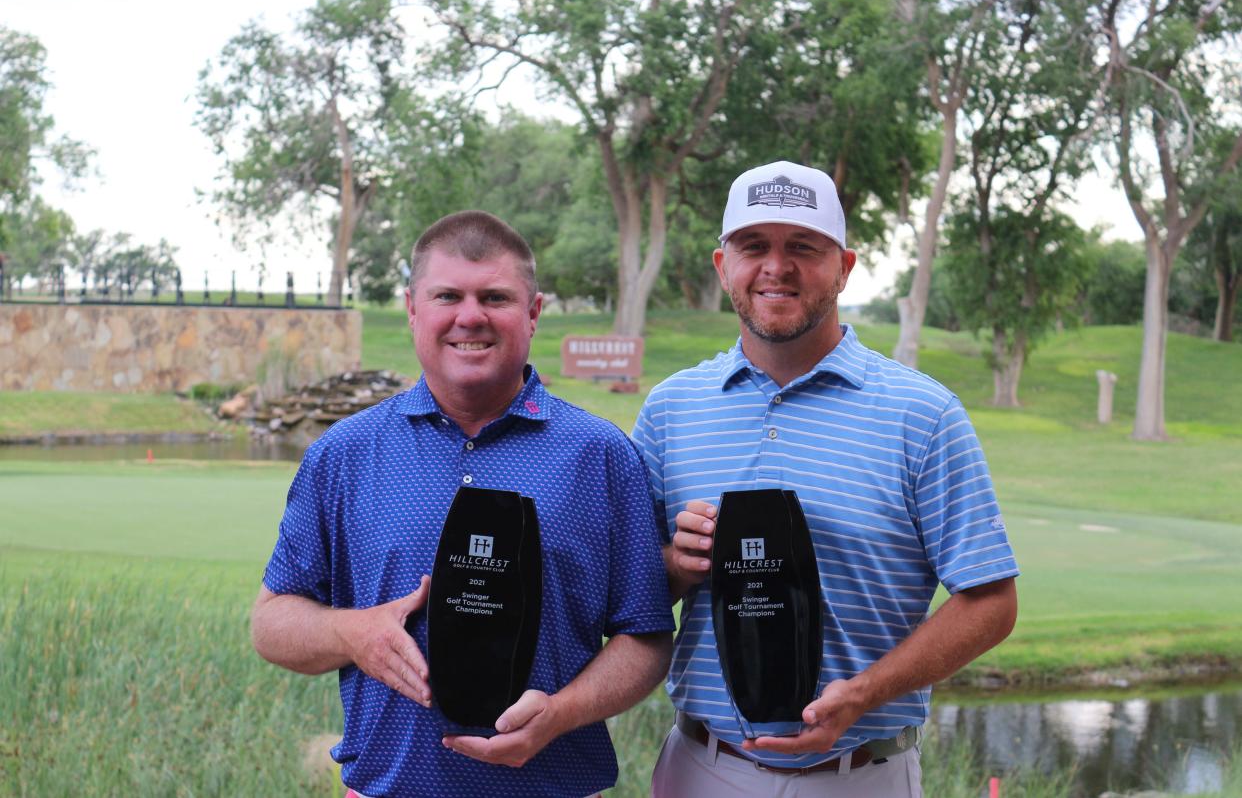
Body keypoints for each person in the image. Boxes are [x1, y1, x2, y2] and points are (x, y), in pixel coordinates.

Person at [253, 210, 674, 798]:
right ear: (411, 308)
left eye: (495, 297)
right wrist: (352, 633)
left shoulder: (600, 456)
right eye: (447, 295)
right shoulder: (343, 455)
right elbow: (271, 622)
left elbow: (647, 636)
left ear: (533, 313)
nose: (469, 316)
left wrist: (562, 711)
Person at [632, 161, 1019, 797]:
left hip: (860, 773)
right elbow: (630, 590)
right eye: (753, 246)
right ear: (721, 264)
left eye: (803, 248)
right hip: (701, 768)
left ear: (844, 266)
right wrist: (678, 561)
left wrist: (865, 694)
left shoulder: (922, 413)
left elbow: (991, 601)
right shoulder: (672, 408)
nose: (776, 268)